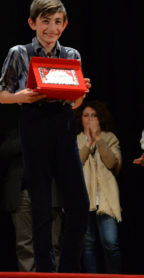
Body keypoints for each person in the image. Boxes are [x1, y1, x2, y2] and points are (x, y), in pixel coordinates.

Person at [0, 0, 91, 272]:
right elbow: (1, 95)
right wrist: (21, 97)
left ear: (65, 25)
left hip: (63, 123)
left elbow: (74, 103)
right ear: (32, 23)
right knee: (41, 204)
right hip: (33, 123)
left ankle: (69, 269)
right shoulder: (20, 52)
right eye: (45, 22)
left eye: (57, 22)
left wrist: (81, 92)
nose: (51, 29)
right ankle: (46, 272)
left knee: (79, 203)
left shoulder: (71, 55)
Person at [0, 126, 63, 272]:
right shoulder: (18, 131)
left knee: (53, 243)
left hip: (49, 194)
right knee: (24, 245)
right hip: (23, 194)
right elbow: (4, 150)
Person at [75, 100, 122, 273]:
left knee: (110, 242)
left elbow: (112, 163)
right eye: (86, 116)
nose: (90, 119)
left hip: (105, 199)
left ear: (100, 118)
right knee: (87, 244)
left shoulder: (110, 138)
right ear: (80, 119)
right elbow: (75, 165)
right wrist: (88, 143)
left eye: (94, 115)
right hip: (84, 198)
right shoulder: (77, 140)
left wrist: (99, 139)